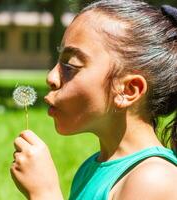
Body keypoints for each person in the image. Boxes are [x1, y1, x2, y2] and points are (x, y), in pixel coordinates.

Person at [10, 0, 177, 199]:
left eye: (70, 65)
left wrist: (45, 193)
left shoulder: (153, 179)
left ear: (129, 90)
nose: (51, 77)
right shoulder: (89, 168)